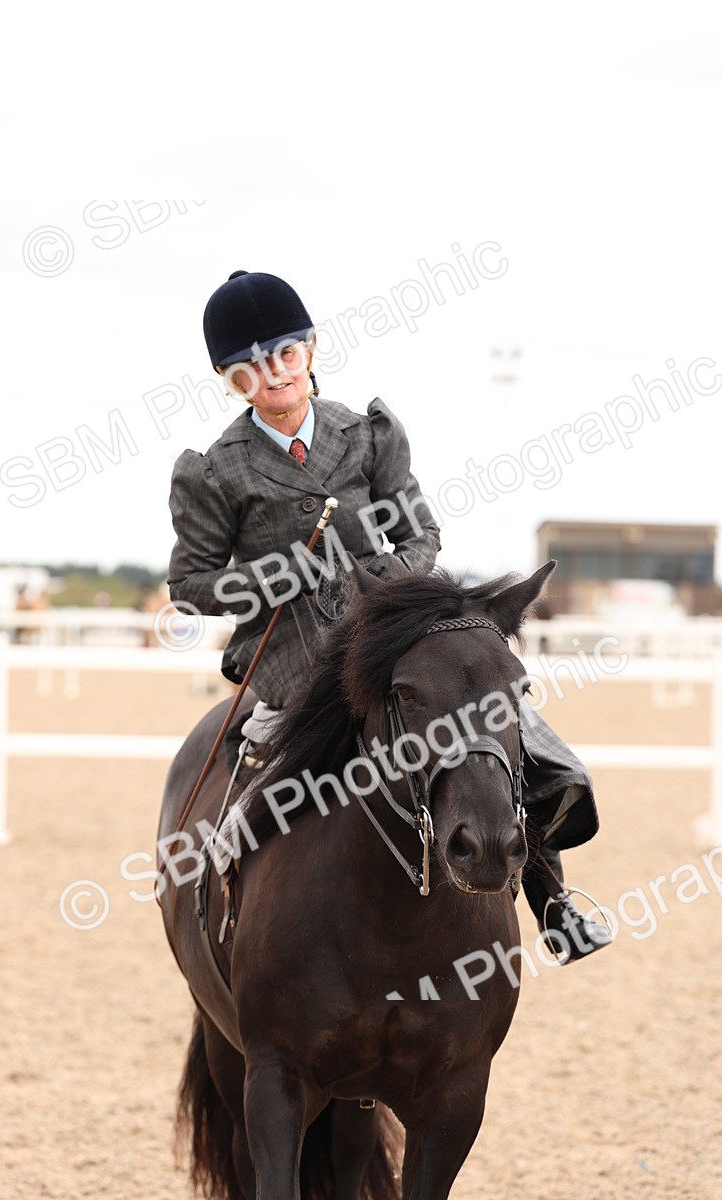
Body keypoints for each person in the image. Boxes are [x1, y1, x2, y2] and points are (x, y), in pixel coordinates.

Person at [167, 270, 611, 964]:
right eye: (250, 366)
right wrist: (286, 574)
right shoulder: (214, 470)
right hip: (291, 664)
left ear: (310, 348)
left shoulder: (368, 435)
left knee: (500, 726)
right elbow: (190, 586)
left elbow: (421, 536)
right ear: (229, 380)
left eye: (285, 353)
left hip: (390, 638)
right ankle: (223, 910)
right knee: (257, 796)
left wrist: (380, 579)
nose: (274, 373)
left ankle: (552, 900)